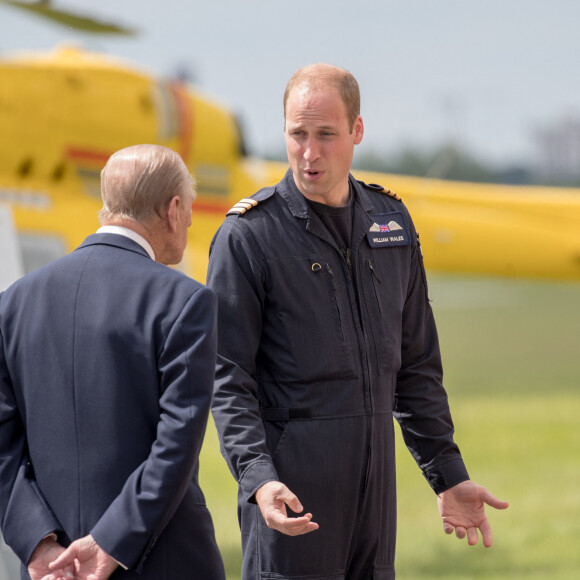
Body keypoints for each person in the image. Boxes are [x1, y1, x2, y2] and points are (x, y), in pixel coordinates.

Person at [206, 64, 508, 579]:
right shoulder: (249, 238)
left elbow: (414, 367)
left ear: (357, 131)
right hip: (291, 497)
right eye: (297, 135)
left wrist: (448, 475)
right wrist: (259, 479)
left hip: (374, 495)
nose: (309, 152)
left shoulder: (390, 225)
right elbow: (226, 378)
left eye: (325, 134)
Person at [0, 144, 226, 580]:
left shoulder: (13, 304)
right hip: (163, 561)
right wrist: (110, 540)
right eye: (192, 207)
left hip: (55, 567)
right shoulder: (184, 301)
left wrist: (38, 542)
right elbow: (176, 444)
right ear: (174, 209)